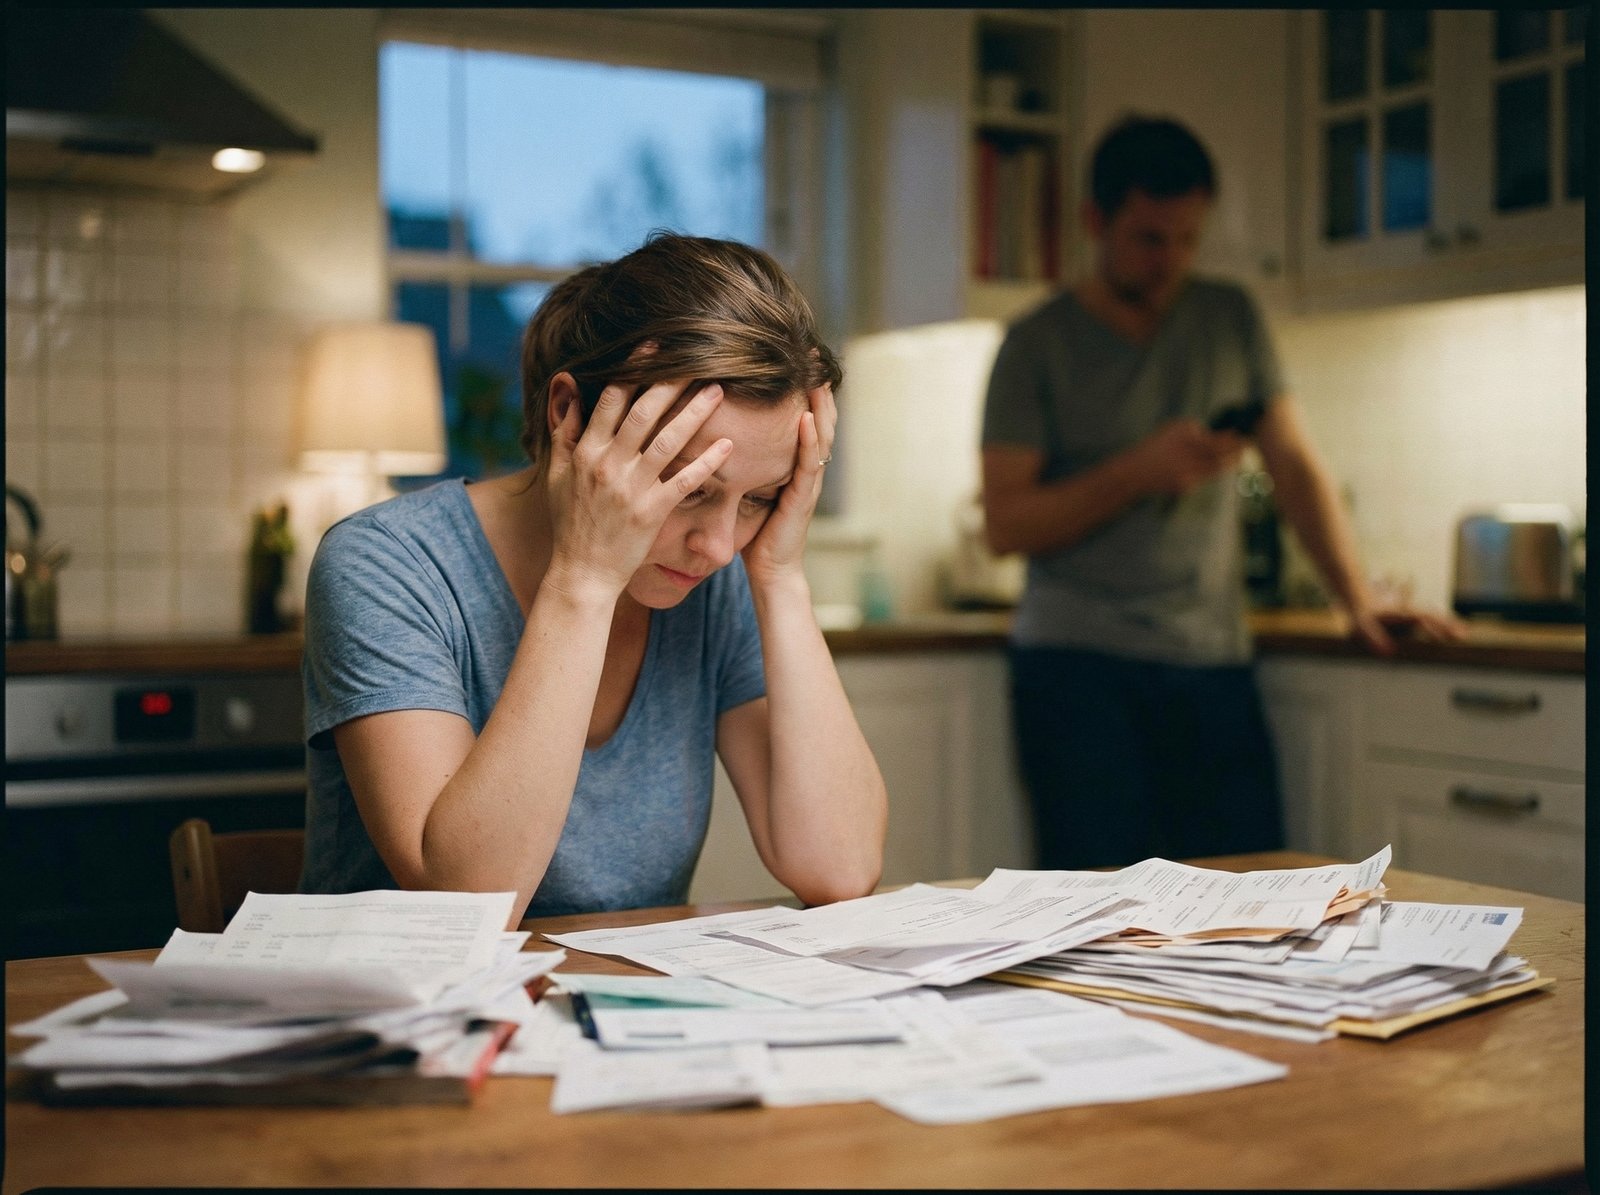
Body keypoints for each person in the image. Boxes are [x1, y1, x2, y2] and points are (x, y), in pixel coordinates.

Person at [300, 232, 888, 924]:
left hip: (612, 1012)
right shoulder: (386, 563)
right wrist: (584, 578)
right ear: (567, 419)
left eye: (758, 499)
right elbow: (464, 902)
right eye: (690, 487)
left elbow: (840, 867)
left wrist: (783, 576)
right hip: (407, 1014)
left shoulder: (715, 578)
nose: (720, 545)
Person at [980, 115, 1461, 871]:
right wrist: (1139, 470)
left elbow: (1296, 467)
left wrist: (1355, 601)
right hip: (1074, 665)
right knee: (1092, 910)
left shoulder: (1228, 317)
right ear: (1096, 221)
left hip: (1211, 658)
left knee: (1253, 888)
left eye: (1187, 239)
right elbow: (1005, 524)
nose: (1169, 261)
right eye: (1148, 239)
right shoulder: (1034, 344)